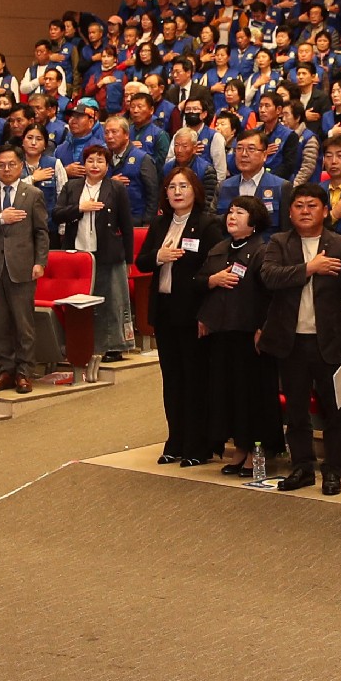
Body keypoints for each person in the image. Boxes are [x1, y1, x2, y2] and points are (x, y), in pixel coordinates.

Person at [256, 182, 341, 493]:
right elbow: (269, 277)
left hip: (332, 342)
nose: (305, 211)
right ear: (290, 211)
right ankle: (302, 467)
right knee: (296, 411)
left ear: (325, 211)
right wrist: (310, 268)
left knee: (335, 412)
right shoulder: (279, 243)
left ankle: (334, 469)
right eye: (299, 206)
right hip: (291, 340)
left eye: (312, 205)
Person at [137, 164, 213, 465]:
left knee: (196, 380)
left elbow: (211, 271)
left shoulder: (207, 224)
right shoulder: (159, 225)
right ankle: (175, 440)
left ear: (195, 191)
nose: (177, 192)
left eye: (183, 186)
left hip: (194, 313)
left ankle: (199, 445)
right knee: (172, 379)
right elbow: (142, 262)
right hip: (165, 311)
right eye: (171, 187)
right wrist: (159, 257)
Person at [198, 195, 273, 473]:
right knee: (227, 393)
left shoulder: (263, 250)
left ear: (253, 222)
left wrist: (261, 328)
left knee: (250, 395)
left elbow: (267, 296)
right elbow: (200, 283)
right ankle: (239, 449)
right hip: (222, 331)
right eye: (230, 211)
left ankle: (256, 451)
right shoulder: (220, 247)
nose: (232, 216)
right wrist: (205, 311)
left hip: (248, 333)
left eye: (240, 212)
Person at [0, 142, 53, 395]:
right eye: (1, 165)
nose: (6, 169)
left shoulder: (33, 194)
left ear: (21, 166)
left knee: (23, 322)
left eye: (11, 165)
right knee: (0, 322)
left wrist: (40, 262)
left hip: (23, 266)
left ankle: (25, 371)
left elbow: (41, 232)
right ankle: (5, 368)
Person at [55, 141, 136, 360]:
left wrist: (129, 259)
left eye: (100, 161)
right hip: (77, 254)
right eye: (90, 160)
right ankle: (81, 345)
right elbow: (57, 214)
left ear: (108, 165)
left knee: (110, 301)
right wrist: (80, 209)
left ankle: (113, 346)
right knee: (79, 302)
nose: (95, 165)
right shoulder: (71, 187)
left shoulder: (116, 188)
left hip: (108, 253)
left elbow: (127, 226)